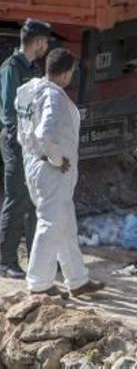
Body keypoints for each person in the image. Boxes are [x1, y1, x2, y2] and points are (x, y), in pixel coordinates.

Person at [16, 48, 104, 297]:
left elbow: (25, 131)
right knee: (50, 223)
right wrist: (56, 159)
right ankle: (39, 283)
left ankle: (77, 279)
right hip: (52, 170)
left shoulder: (29, 90)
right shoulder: (53, 96)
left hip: (34, 165)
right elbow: (45, 133)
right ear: (66, 73)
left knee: (64, 223)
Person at [0, 19, 51, 279]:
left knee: (34, 201)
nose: (46, 47)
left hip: (31, 144)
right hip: (15, 142)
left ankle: (36, 260)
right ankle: (5, 261)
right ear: (38, 41)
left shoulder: (32, 68)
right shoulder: (12, 68)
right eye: (45, 42)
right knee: (17, 198)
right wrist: (21, 141)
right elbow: (9, 112)